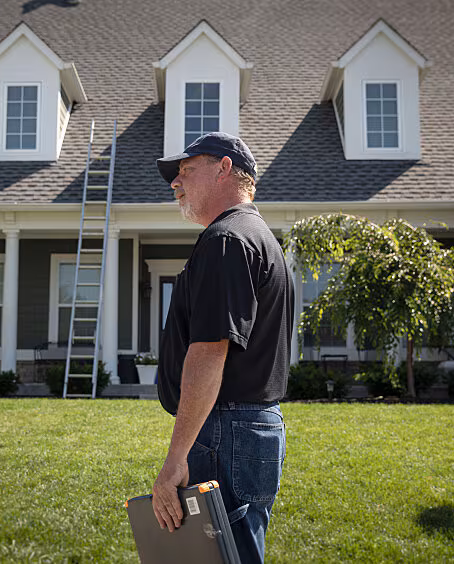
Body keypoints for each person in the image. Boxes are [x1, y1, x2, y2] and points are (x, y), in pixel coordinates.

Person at [151, 132, 294, 563]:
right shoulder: (258, 237)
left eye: (186, 171)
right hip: (252, 427)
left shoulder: (226, 240)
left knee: (218, 557)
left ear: (224, 169)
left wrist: (176, 459)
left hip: (224, 431)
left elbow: (210, 352)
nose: (175, 184)